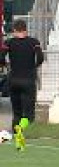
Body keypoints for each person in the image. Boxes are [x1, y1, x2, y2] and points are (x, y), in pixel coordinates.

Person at [0, 19, 44, 151]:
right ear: (25, 29)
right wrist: (34, 66)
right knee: (29, 116)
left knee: (17, 113)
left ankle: (19, 144)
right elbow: (40, 57)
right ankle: (20, 128)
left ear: (14, 30)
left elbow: (1, 57)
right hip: (28, 81)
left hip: (13, 81)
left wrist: (6, 66)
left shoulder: (9, 42)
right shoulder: (34, 42)